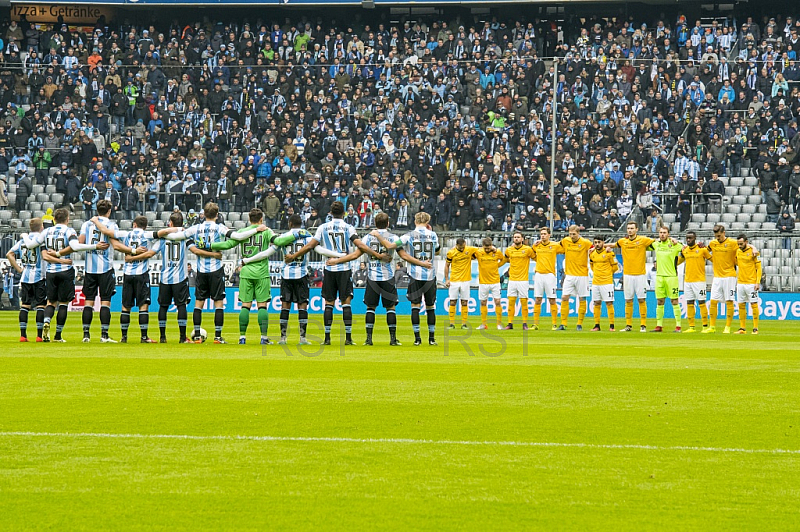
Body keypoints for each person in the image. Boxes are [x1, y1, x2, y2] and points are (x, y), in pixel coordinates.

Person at [287, 201, 384, 346]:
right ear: (344, 212)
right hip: (344, 268)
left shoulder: (323, 227)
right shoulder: (348, 227)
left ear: (330, 213)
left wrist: (293, 256)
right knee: (346, 303)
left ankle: (327, 338)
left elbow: (310, 246)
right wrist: (377, 254)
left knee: (329, 303)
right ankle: (348, 338)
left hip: (330, 268)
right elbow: (361, 246)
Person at [164, 202, 261, 343]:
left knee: (199, 303)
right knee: (218, 303)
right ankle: (217, 336)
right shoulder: (220, 228)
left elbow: (177, 236)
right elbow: (238, 237)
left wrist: (162, 233)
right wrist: (256, 230)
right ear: (217, 214)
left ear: (203, 213)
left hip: (201, 270)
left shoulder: (196, 228)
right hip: (215, 269)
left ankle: (197, 334)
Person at [330, 212, 427, 346]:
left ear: (375, 223)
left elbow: (355, 255)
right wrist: (422, 263)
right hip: (388, 277)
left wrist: (337, 261)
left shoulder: (367, 238)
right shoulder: (393, 237)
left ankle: (369, 339)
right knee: (391, 307)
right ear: (388, 223)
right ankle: (393, 339)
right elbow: (404, 256)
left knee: (370, 307)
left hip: (372, 277)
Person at [246, 215, 342, 345]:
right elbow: (320, 250)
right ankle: (302, 338)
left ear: (290, 223)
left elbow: (266, 253)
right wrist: (340, 255)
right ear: (301, 224)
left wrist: (248, 260)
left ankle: (283, 338)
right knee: (302, 306)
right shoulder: (307, 237)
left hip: (286, 275)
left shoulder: (284, 237)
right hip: (301, 275)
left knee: (285, 306)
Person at [21, 208, 108, 342]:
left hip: (50, 272)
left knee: (50, 302)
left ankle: (47, 321)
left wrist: (24, 236)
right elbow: (76, 246)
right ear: (67, 219)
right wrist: (95, 246)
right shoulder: (69, 231)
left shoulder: (46, 231)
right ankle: (57, 335)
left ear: (54, 219)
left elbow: (30, 244)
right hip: (65, 269)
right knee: (63, 304)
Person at [210, 208, 280, 345]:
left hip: (246, 271)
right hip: (261, 272)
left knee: (245, 306)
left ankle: (242, 337)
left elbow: (227, 244)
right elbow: (277, 241)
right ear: (261, 219)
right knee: (262, 306)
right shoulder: (266, 231)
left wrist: (209, 245)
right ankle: (264, 338)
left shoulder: (242, 232)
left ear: (249, 220)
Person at [370, 212, 440, 346]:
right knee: (430, 306)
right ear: (427, 222)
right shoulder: (433, 235)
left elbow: (390, 246)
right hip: (430, 274)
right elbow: (437, 250)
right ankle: (431, 339)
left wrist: (378, 235)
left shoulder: (409, 235)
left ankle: (417, 339)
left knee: (415, 306)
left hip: (415, 274)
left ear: (415, 221)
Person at [92, 215, 158, 343]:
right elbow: (163, 232)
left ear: (134, 224)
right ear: (145, 226)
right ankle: (144, 337)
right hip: (142, 273)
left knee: (125, 306)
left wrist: (95, 221)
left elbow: (106, 232)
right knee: (143, 306)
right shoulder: (148, 234)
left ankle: (124, 337)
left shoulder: (125, 234)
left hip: (127, 274)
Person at [7, 218, 64, 342]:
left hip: (25, 276)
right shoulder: (41, 239)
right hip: (39, 277)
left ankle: (23, 335)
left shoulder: (23, 239)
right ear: (42, 227)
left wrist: (19, 269)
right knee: (40, 306)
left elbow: (9, 254)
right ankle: (39, 336)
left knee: (25, 306)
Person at [149, 212, 201, 343]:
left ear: (170, 223)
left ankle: (162, 337)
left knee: (163, 306)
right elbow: (194, 249)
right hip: (180, 277)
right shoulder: (184, 237)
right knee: (181, 306)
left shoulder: (163, 238)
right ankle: (182, 337)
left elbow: (151, 252)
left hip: (165, 278)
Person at [609, 221, 656, 332]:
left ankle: (643, 325)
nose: (629, 230)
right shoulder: (622, 241)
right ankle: (628, 325)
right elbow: (613, 245)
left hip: (640, 275)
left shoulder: (643, 240)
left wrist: (672, 240)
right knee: (628, 300)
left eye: (632, 228)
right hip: (627, 275)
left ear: (636, 229)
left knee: (641, 300)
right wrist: (603, 246)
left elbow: (657, 243)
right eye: (628, 228)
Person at [704, 224, 739, 334]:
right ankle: (712, 326)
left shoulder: (732, 243)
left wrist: (753, 248)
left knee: (729, 301)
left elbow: (744, 247)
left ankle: (727, 327)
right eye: (716, 236)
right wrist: (712, 259)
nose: (717, 238)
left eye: (719, 235)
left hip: (729, 276)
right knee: (713, 301)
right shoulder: (713, 243)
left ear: (724, 233)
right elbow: (705, 251)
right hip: (717, 277)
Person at [650, 226, 684, 332]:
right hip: (660, 277)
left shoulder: (675, 245)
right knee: (660, 301)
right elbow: (644, 244)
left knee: (674, 301)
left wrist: (676, 241)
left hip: (671, 277)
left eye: (664, 232)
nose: (662, 234)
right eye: (660, 232)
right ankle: (659, 325)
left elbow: (685, 249)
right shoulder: (656, 244)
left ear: (668, 234)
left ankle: (678, 326)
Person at [558, 225, 592, 331]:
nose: (572, 236)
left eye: (574, 234)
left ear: (578, 233)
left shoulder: (586, 243)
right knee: (564, 297)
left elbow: (595, 249)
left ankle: (579, 324)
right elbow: (557, 246)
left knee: (582, 298)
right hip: (569, 275)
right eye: (570, 234)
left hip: (582, 275)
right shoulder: (565, 241)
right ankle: (563, 324)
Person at [532, 227, 564, 330]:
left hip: (550, 275)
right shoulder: (537, 245)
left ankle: (554, 324)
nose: (543, 235)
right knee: (537, 299)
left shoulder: (554, 245)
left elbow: (564, 250)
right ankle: (535, 324)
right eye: (541, 234)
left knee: (552, 300)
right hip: (539, 275)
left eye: (545, 234)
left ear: (549, 235)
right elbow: (532, 254)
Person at [503, 232, 536, 330]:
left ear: (522, 239)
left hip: (523, 280)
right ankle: (510, 323)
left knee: (524, 302)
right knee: (511, 302)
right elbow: (505, 259)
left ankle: (524, 323)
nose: (516, 239)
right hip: (512, 280)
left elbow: (536, 258)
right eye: (515, 237)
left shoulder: (528, 250)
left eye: (518, 237)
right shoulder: (509, 250)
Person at [681, 231, 712, 333]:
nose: (688, 240)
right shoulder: (685, 251)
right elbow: (678, 261)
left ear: (695, 238)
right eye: (687, 238)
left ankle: (704, 326)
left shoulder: (702, 250)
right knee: (689, 303)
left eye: (690, 238)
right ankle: (691, 327)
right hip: (687, 281)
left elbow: (713, 259)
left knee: (701, 303)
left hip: (699, 281)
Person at [444, 237, 478, 329]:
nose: (462, 249)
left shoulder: (470, 249)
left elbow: (481, 250)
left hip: (466, 280)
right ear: (456, 245)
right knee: (452, 301)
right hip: (454, 280)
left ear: (465, 243)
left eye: (463, 247)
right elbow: (447, 265)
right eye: (460, 248)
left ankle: (464, 324)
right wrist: (447, 279)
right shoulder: (451, 252)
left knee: (464, 302)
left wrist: (493, 248)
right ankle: (451, 323)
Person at [473, 237, 507, 330]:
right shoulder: (478, 252)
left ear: (491, 245)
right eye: (485, 248)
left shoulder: (497, 252)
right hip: (483, 282)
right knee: (483, 302)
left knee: (498, 302)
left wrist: (497, 265)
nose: (487, 250)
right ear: (483, 246)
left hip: (495, 281)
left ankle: (499, 324)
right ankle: (484, 324)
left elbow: (504, 260)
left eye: (489, 248)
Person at [734, 234, 762, 335]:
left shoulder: (753, 252)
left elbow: (759, 268)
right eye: (738, 244)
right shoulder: (737, 251)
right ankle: (742, 328)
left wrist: (757, 281)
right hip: (740, 282)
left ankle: (755, 328)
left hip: (751, 283)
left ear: (746, 242)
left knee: (754, 305)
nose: (739, 245)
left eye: (741, 243)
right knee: (741, 305)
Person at [589, 236, 618, 332]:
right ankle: (597, 325)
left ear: (603, 243)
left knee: (609, 303)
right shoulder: (592, 254)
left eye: (599, 242)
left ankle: (612, 326)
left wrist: (608, 273)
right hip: (596, 282)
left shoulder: (609, 253)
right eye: (595, 242)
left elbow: (615, 267)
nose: (597, 244)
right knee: (596, 303)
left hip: (607, 282)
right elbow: (592, 265)